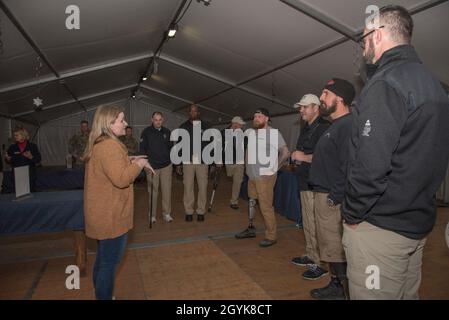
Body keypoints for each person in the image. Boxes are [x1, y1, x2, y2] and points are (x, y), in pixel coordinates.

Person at [342, 5, 449, 300]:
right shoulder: (435, 86)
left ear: (378, 35)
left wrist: (352, 213)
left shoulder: (385, 84)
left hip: (380, 230)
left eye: (364, 39)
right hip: (417, 225)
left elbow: (370, 165)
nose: (363, 47)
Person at [83, 105, 154, 300]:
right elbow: (122, 179)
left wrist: (130, 159)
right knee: (109, 264)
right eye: (122, 120)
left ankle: (102, 296)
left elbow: (111, 168)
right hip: (111, 216)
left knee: (103, 260)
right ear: (109, 124)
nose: (126, 123)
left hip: (102, 214)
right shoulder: (110, 146)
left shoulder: (101, 143)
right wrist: (138, 164)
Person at [308, 78, 355, 300]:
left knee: (335, 246)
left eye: (326, 94)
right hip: (324, 193)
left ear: (340, 98)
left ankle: (343, 292)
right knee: (329, 246)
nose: (321, 98)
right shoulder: (335, 126)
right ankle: (335, 283)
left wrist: (334, 197)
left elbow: (348, 165)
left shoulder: (347, 125)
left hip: (331, 197)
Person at [235, 108, 290, 247]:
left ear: (266, 119)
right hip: (252, 176)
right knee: (252, 202)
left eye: (259, 116)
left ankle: (271, 236)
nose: (256, 118)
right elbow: (248, 152)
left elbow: (285, 153)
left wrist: (273, 169)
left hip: (265, 178)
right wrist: (247, 170)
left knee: (266, 207)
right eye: (255, 116)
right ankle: (251, 228)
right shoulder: (252, 133)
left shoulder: (274, 133)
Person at [290, 94, 331, 281]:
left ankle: (320, 264)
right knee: (308, 222)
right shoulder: (307, 127)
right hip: (305, 181)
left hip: (317, 184)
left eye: (304, 107)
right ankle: (311, 254)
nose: (301, 110)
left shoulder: (325, 128)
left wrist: (302, 157)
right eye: (300, 107)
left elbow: (328, 157)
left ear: (316, 108)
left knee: (317, 225)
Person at [176, 104, 211, 222]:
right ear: (189, 113)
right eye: (191, 111)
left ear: (198, 113)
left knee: (203, 187)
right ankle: (189, 211)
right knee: (188, 187)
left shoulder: (206, 126)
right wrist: (178, 163)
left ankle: (201, 211)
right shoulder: (183, 127)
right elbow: (179, 146)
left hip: (202, 162)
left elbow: (210, 145)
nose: (193, 113)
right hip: (188, 162)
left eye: (195, 111)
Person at [140, 112, 174, 224]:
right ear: (152, 120)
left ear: (163, 120)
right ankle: (152, 215)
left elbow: (171, 149)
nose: (158, 122)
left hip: (166, 166)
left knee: (166, 191)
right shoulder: (146, 132)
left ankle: (167, 214)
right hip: (152, 167)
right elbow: (142, 150)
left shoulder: (167, 132)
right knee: (153, 192)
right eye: (156, 119)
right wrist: (145, 165)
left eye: (160, 119)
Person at [5, 127, 42, 192]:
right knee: (19, 197)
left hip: (30, 176)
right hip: (17, 176)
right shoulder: (12, 147)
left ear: (23, 135)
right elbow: (8, 160)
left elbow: (38, 159)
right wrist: (8, 159)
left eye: (17, 135)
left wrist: (31, 157)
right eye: (14, 135)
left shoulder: (32, 146)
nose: (15, 137)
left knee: (31, 196)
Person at [223, 116, 246, 210]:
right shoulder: (224, 133)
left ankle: (234, 201)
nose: (242, 127)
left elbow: (245, 146)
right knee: (229, 176)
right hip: (229, 161)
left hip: (239, 162)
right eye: (240, 125)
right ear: (235, 124)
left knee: (238, 181)